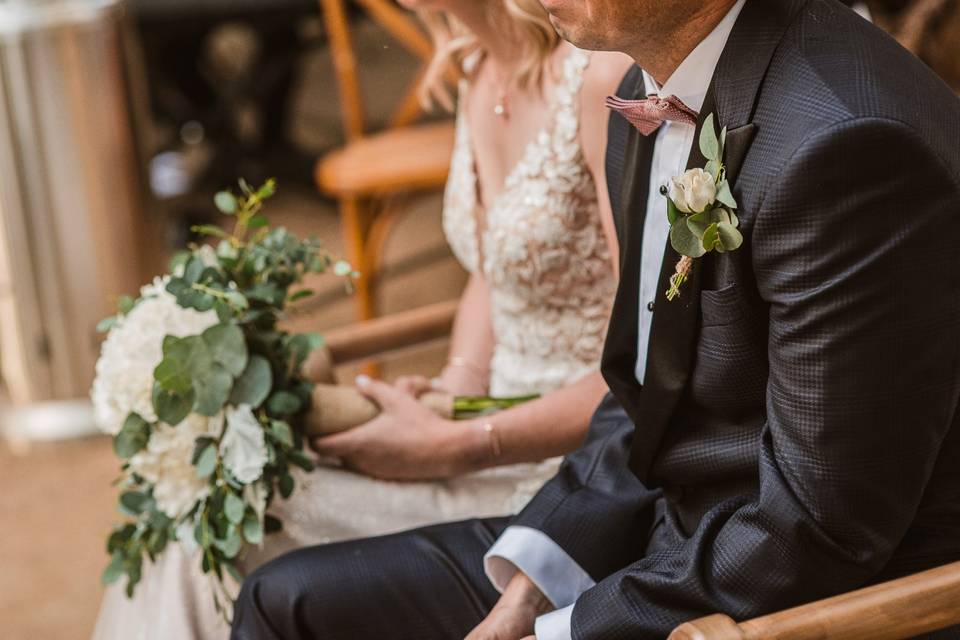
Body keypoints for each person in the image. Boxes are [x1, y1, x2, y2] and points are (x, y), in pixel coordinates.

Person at [230, 0, 960, 639]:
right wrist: (538, 576)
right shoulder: (650, 84)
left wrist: (571, 628)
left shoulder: (849, 148)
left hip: (785, 602)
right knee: (285, 600)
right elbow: (646, 389)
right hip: (658, 534)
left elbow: (815, 531)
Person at [91, 1, 633, 638]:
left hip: (572, 472)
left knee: (232, 525)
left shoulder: (602, 80)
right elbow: (494, 270)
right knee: (211, 498)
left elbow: (645, 367)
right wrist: (456, 385)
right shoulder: (475, 66)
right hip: (475, 428)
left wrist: (461, 442)